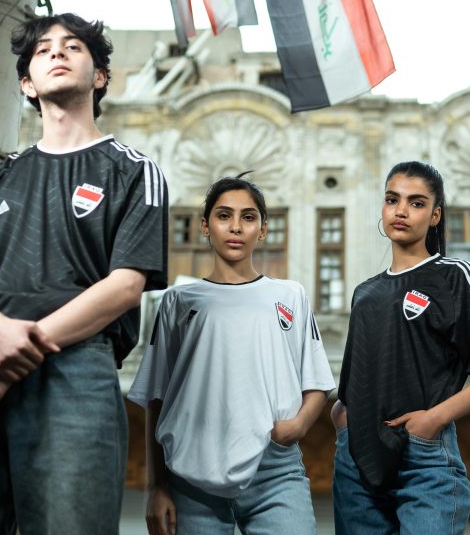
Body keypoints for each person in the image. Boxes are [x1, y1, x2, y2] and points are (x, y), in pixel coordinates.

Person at [0, 13, 168, 534]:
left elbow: (126, 285)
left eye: (73, 46)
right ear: (26, 83)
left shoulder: (133, 169)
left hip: (75, 365)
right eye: (42, 50)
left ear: (100, 76)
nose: (56, 53)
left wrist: (14, 355)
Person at [130, 173, 335, 535]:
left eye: (248, 217)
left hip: (275, 471)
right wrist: (157, 486)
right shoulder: (177, 302)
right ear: (206, 227)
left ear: (264, 229)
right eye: (224, 216)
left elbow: (316, 381)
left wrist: (298, 425)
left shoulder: (289, 296)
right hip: (191, 474)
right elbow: (157, 398)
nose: (236, 227)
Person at [332, 161, 470, 534]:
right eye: (392, 200)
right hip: (355, 460)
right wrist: (342, 419)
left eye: (417, 203)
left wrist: (431, 421)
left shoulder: (454, 275)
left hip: (423, 458)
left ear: (435, 215)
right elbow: (356, 376)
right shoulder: (365, 292)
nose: (401, 211)